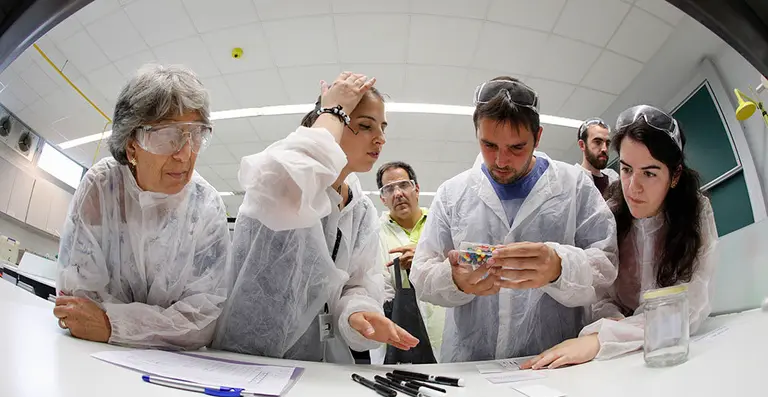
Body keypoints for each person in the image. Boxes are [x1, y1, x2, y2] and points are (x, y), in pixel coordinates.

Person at [212, 72, 418, 363]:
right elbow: (289, 175)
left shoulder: (360, 210)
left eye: (382, 127)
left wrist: (358, 312)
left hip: (320, 362)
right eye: (365, 126)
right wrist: (332, 110)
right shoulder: (287, 183)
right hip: (250, 356)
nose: (380, 138)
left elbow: (357, 282)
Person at [411, 76, 618, 362]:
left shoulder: (574, 186)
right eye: (489, 145)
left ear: (538, 136)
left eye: (517, 147)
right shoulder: (452, 194)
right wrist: (455, 280)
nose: (501, 160)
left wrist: (560, 267)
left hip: (555, 362)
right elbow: (421, 274)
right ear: (477, 134)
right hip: (472, 363)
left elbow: (606, 266)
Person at [522, 105, 718, 370]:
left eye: (649, 173)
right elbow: (601, 294)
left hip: (678, 351)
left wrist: (603, 338)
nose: (633, 187)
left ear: (675, 175)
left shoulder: (696, 211)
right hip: (621, 358)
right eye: (626, 169)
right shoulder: (611, 213)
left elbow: (691, 307)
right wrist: (612, 322)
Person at [52, 64, 230, 349]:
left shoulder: (206, 206)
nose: (185, 155)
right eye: (168, 136)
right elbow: (79, 306)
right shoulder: (102, 187)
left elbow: (204, 320)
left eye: (195, 135)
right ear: (132, 145)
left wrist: (112, 324)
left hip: (173, 372)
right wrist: (161, 324)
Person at [372, 161, 445, 364]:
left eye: (403, 185)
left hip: (444, 331)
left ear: (416, 189)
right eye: (389, 189)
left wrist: (422, 259)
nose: (398, 193)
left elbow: (460, 270)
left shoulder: (440, 224)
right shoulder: (374, 233)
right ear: (383, 199)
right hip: (399, 335)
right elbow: (376, 287)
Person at [575, 117, 619, 195]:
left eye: (607, 144)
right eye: (598, 142)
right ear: (582, 145)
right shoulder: (573, 180)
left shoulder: (614, 180)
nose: (604, 149)